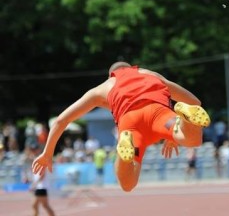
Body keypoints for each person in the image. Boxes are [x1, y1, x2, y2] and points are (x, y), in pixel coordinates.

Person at [32, 61, 210, 192]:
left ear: (111, 75)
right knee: (193, 140)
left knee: (128, 184)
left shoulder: (102, 88)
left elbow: (60, 121)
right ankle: (183, 122)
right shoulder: (150, 74)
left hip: (130, 126)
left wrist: (48, 153)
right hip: (159, 114)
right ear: (132, 67)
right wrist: (174, 136)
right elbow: (195, 102)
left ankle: (125, 152)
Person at [30, 146, 55, 216]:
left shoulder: (41, 160)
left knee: (42, 205)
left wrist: (34, 185)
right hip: (40, 187)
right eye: (32, 150)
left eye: (34, 150)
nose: (33, 152)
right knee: (37, 205)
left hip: (41, 187)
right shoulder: (36, 160)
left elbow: (42, 175)